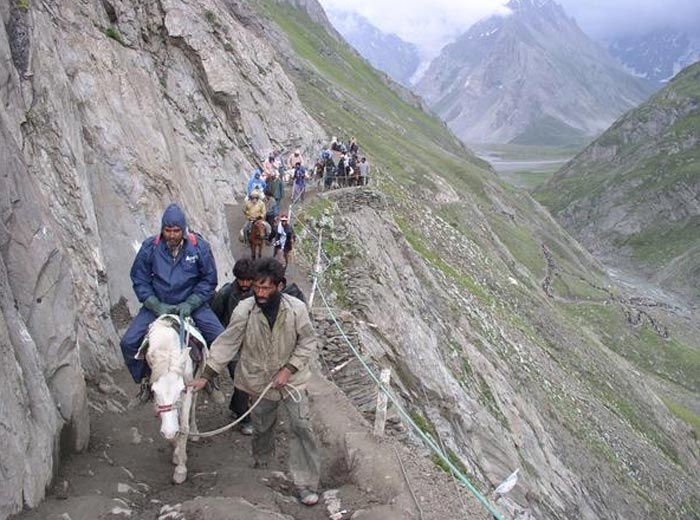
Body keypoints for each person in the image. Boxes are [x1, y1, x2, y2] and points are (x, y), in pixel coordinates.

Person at [188, 258, 321, 506]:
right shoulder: (245, 310)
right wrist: (206, 375)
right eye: (257, 288)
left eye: (265, 288)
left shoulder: (296, 310)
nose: (259, 293)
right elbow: (228, 342)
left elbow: (307, 342)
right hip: (259, 382)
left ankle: (305, 483)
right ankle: (262, 466)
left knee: (302, 427)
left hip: (293, 382)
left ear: (279, 286)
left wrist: (288, 369)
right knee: (262, 427)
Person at [120, 203, 225, 403]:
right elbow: (140, 279)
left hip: (192, 304)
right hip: (159, 304)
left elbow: (208, 280)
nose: (172, 235)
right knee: (128, 342)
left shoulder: (200, 248)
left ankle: (210, 378)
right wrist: (155, 304)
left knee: (219, 338)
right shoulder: (149, 247)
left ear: (183, 230)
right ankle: (144, 380)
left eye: (176, 230)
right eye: (168, 230)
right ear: (162, 229)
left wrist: (192, 302)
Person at [210, 259, 255, 435]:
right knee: (240, 377)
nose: (244, 284)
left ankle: (236, 406)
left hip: (251, 342)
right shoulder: (226, 293)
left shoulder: (257, 293)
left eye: (248, 280)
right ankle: (245, 419)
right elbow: (214, 317)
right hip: (232, 343)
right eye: (241, 280)